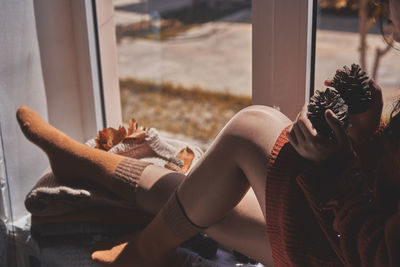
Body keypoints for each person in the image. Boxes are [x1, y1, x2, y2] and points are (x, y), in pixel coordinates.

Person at [16, 0, 400, 266]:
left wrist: (335, 171)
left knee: (253, 129)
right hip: (347, 244)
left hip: (351, 250)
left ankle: (142, 251)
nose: (393, 36)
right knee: (209, 200)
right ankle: (88, 165)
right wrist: (367, 137)